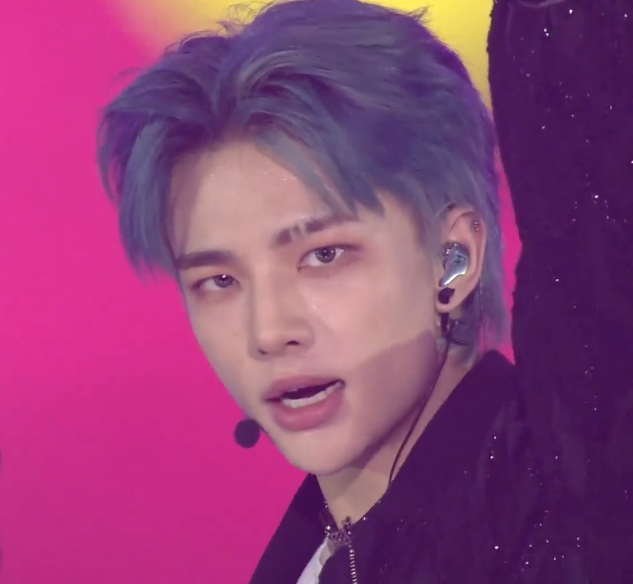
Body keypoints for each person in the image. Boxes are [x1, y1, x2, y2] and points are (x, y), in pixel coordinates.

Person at [96, 0, 633, 581]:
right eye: (219, 281)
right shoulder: (307, 556)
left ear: (454, 258)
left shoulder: (573, 505)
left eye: (323, 256)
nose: (269, 331)